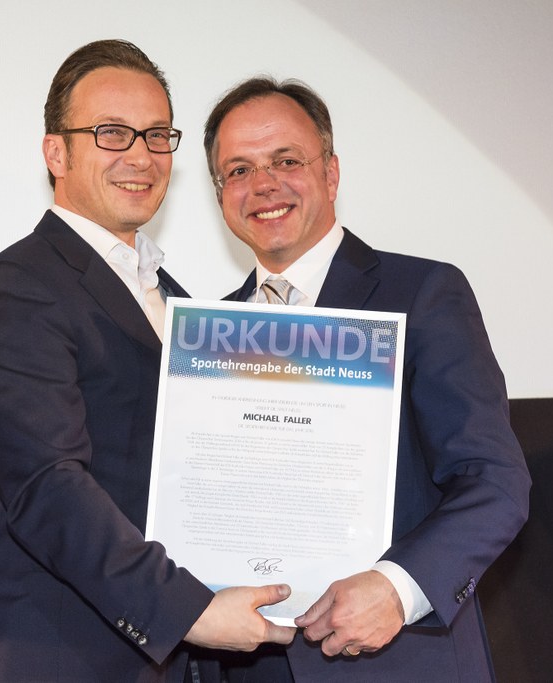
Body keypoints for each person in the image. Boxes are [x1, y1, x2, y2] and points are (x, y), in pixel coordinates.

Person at [0, 41, 295, 683]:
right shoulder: (17, 288)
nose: (140, 155)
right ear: (56, 151)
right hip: (44, 656)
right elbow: (47, 485)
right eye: (111, 133)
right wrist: (190, 613)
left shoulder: (172, 297)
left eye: (156, 135)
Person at [200, 77, 532, 682]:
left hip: (397, 659)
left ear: (330, 173)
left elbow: (495, 482)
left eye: (286, 161)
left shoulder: (423, 294)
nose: (264, 185)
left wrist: (396, 589)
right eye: (238, 171)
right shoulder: (206, 334)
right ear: (220, 195)